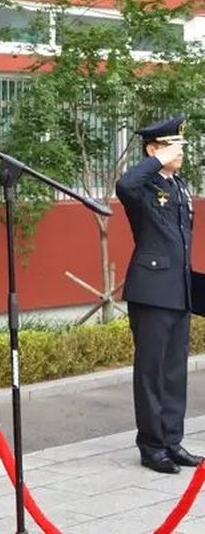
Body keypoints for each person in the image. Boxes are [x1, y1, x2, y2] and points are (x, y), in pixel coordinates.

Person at [116, 115, 203, 474]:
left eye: (181, 145)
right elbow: (124, 182)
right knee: (151, 371)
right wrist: (156, 160)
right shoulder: (142, 188)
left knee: (173, 372)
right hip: (151, 291)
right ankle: (151, 446)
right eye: (172, 145)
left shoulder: (179, 185)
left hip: (179, 289)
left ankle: (171, 440)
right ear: (153, 149)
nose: (180, 151)